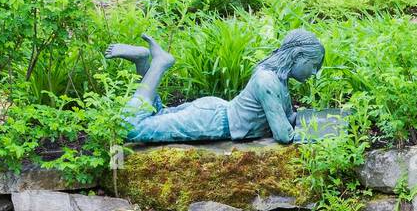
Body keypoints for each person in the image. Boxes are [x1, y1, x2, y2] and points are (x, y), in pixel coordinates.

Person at [106, 30, 325, 145]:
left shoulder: (279, 80)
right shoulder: (267, 81)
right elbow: (284, 135)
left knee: (156, 117)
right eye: (313, 66)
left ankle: (143, 64)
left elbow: (289, 118)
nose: (314, 73)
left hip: (214, 114)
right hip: (210, 121)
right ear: (297, 56)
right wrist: (324, 132)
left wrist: (325, 120)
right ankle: (159, 64)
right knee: (131, 127)